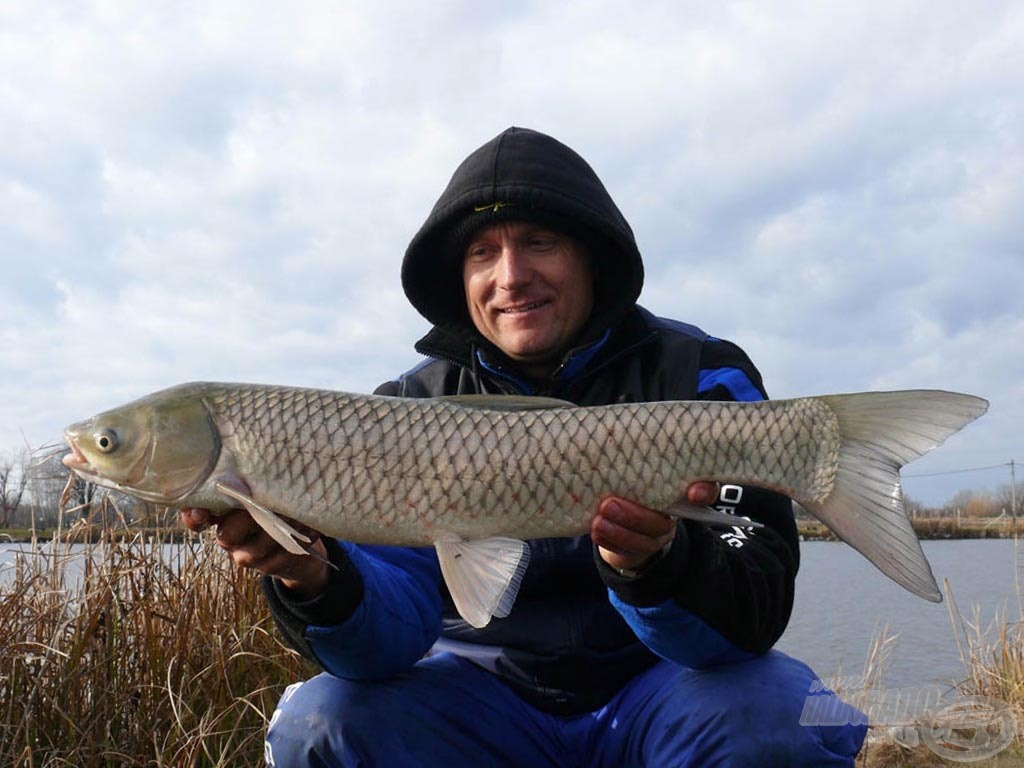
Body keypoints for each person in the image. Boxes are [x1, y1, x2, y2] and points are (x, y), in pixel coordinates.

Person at [183, 127, 867, 766]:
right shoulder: (403, 410)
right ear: (461, 278)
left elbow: (750, 623)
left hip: (659, 691)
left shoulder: (701, 379)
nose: (510, 276)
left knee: (785, 714)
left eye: (539, 241)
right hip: (481, 698)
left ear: (590, 257)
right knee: (321, 719)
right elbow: (387, 641)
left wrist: (656, 566)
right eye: (483, 253)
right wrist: (314, 581)